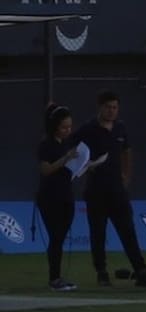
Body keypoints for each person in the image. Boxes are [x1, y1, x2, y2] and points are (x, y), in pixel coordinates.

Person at [75, 90, 146, 287]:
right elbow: (73, 149)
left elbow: (126, 151)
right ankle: (101, 271)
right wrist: (86, 165)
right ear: (100, 107)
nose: (111, 111)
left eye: (115, 107)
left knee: (127, 229)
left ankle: (140, 269)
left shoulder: (120, 128)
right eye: (108, 107)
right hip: (96, 189)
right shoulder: (88, 129)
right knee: (98, 232)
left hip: (117, 189)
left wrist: (126, 175)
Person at [36, 104, 78, 291]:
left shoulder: (67, 143)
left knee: (60, 237)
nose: (68, 130)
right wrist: (65, 159)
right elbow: (45, 170)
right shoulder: (46, 145)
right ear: (54, 127)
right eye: (64, 127)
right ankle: (54, 278)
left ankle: (58, 277)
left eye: (70, 127)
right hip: (49, 197)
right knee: (56, 237)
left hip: (66, 195)